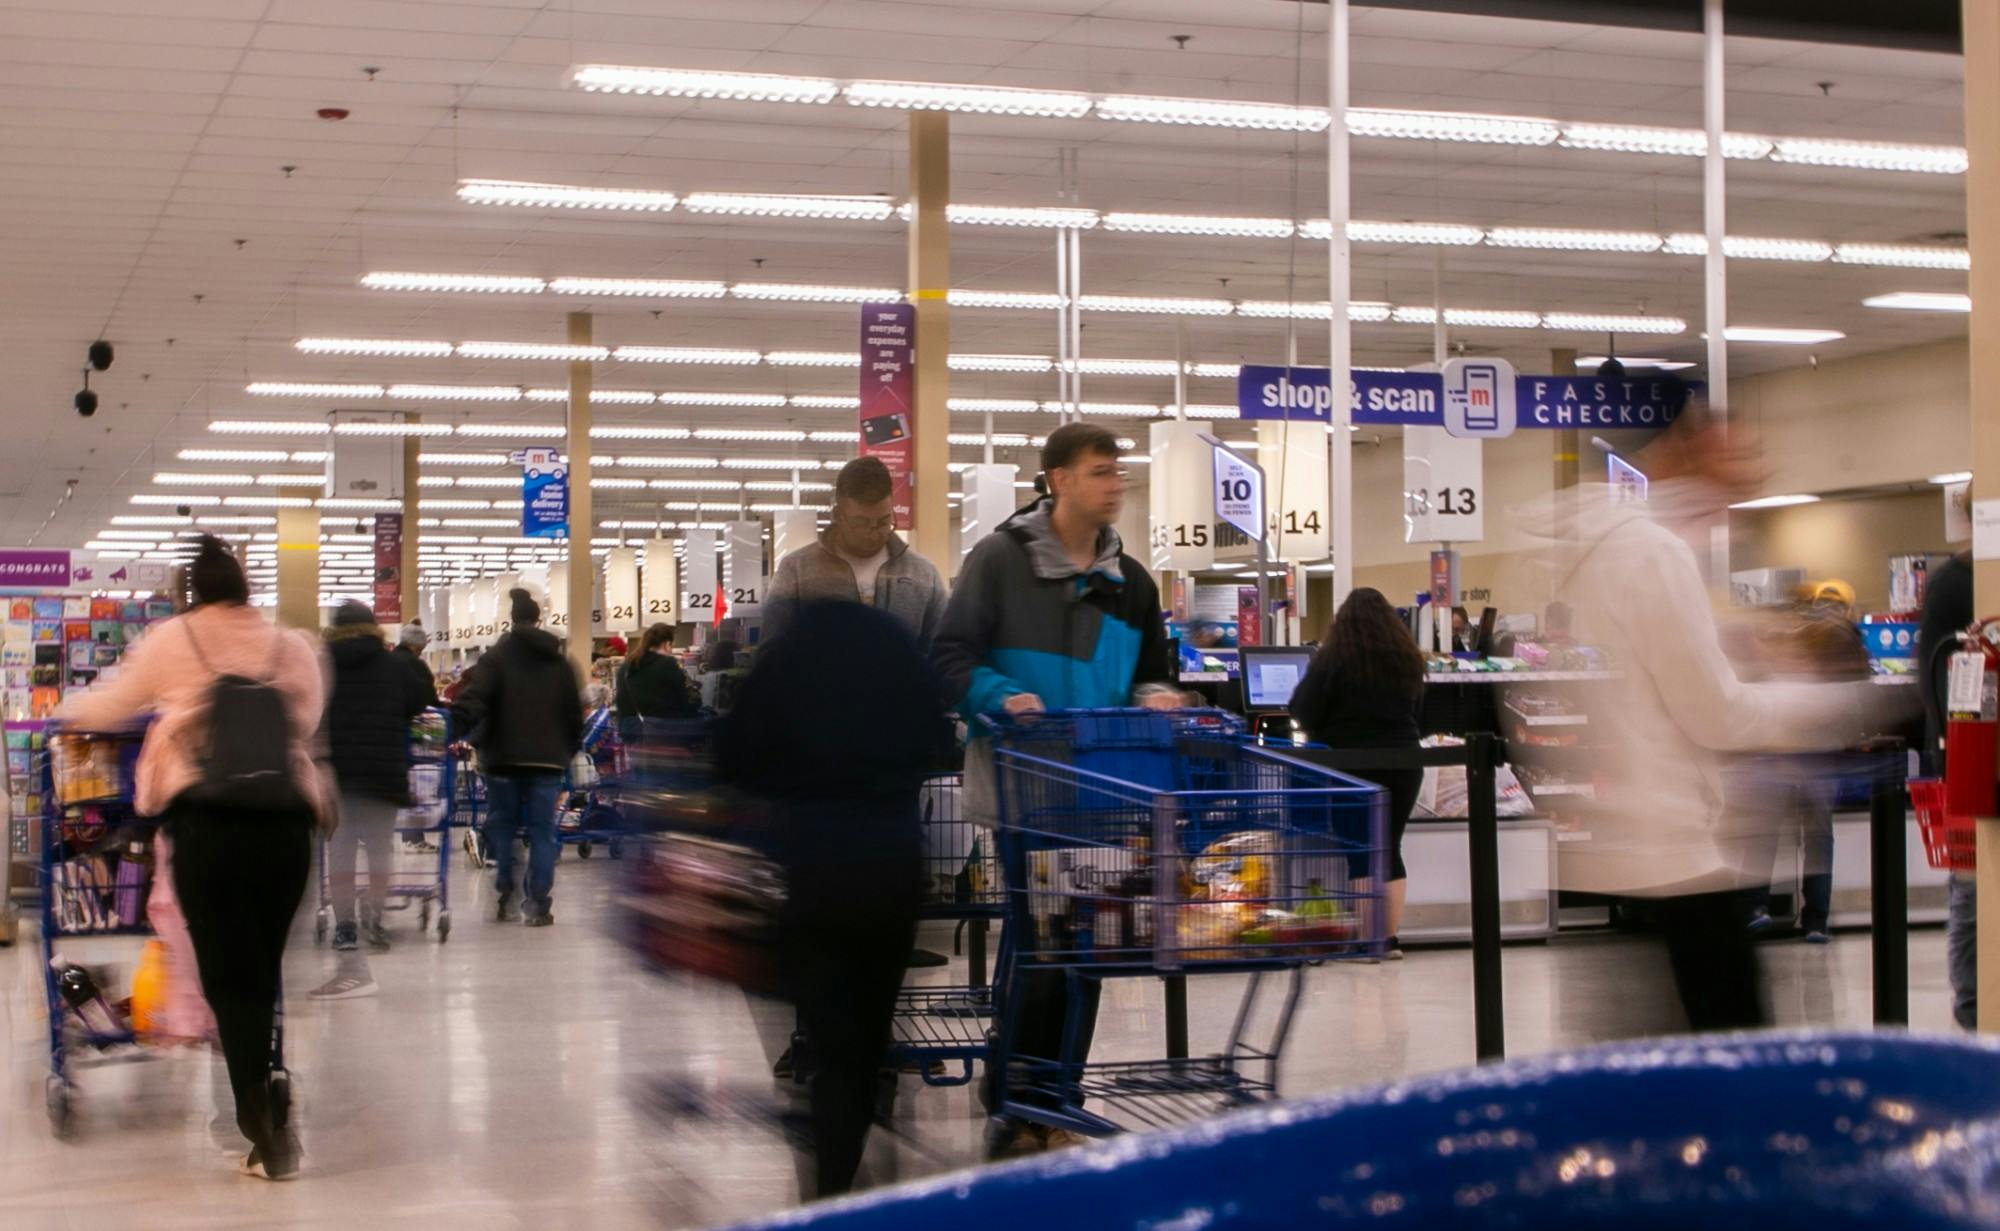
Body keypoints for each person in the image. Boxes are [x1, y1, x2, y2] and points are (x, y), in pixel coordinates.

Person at [1514, 406, 1908, 1031]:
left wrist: (1742, 644)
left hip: (1629, 842)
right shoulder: (1654, 554)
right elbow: (1715, 714)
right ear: (1688, 446)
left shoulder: (1605, 549)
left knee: (1655, 1052)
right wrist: (1828, 708)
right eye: (1738, 455)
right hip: (1680, 844)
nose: (1752, 471)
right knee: (1726, 1046)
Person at [933, 421, 1181, 1157]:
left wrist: (1158, 695)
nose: (1116, 484)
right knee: (1049, 946)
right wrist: (1001, 693)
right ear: (1059, 480)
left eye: (1118, 472)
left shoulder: (1129, 582)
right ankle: (1029, 1097)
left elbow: (1151, 670)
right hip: (1022, 793)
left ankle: (1043, 1094)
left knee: (1077, 948)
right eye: (1101, 471)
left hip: (1102, 793)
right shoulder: (999, 563)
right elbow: (949, 654)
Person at [58, 536, 324, 1180]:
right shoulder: (289, 646)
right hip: (287, 822)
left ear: (191, 592)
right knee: (259, 973)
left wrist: (62, 714)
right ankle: (265, 1106)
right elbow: (308, 721)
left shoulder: (172, 640)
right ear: (245, 586)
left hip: (208, 825)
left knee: (229, 982)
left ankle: (262, 1127)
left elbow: (113, 705)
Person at [719, 600, 947, 1198]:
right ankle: (846, 1146)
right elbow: (938, 744)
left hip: (806, 873)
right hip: (889, 871)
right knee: (866, 1033)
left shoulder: (783, 663)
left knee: (825, 1029)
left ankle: (829, 1167)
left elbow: (734, 759)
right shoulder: (897, 653)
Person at [1289, 587, 1425, 959]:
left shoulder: (1332, 659)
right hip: (1404, 762)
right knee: (1389, 847)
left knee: (1360, 851)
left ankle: (1367, 941)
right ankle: (1388, 940)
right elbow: (1420, 711)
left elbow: (1301, 709)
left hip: (1351, 765)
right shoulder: (1407, 658)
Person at [310, 601, 428, 1000]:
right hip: (382, 772)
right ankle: (374, 919)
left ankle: (344, 928)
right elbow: (419, 701)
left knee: (340, 851)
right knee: (379, 851)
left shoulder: (322, 664)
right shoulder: (396, 665)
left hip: (338, 775)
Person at [452, 588, 584, 927]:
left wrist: (453, 727)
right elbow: (574, 713)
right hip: (548, 761)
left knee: (505, 826)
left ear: (511, 621)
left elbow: (475, 699)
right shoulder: (559, 662)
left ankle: (506, 895)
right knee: (542, 833)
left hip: (503, 758)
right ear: (539, 620)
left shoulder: (495, 658)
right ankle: (538, 903)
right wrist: (565, 751)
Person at [765, 455, 947, 648]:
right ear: (837, 516)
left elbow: (941, 655)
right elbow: (771, 655)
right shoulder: (796, 571)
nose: (873, 533)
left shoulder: (923, 575)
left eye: (884, 522)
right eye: (861, 523)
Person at [1919, 548, 1975, 1028]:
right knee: (1973, 886)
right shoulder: (1958, 584)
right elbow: (1941, 683)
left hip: (1964, 753)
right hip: (1966, 757)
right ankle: (1974, 1007)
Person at [614, 622, 697, 742]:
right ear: (666, 644)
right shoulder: (669, 665)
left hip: (632, 736)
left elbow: (621, 703)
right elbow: (686, 701)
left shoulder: (625, 667)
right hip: (665, 736)